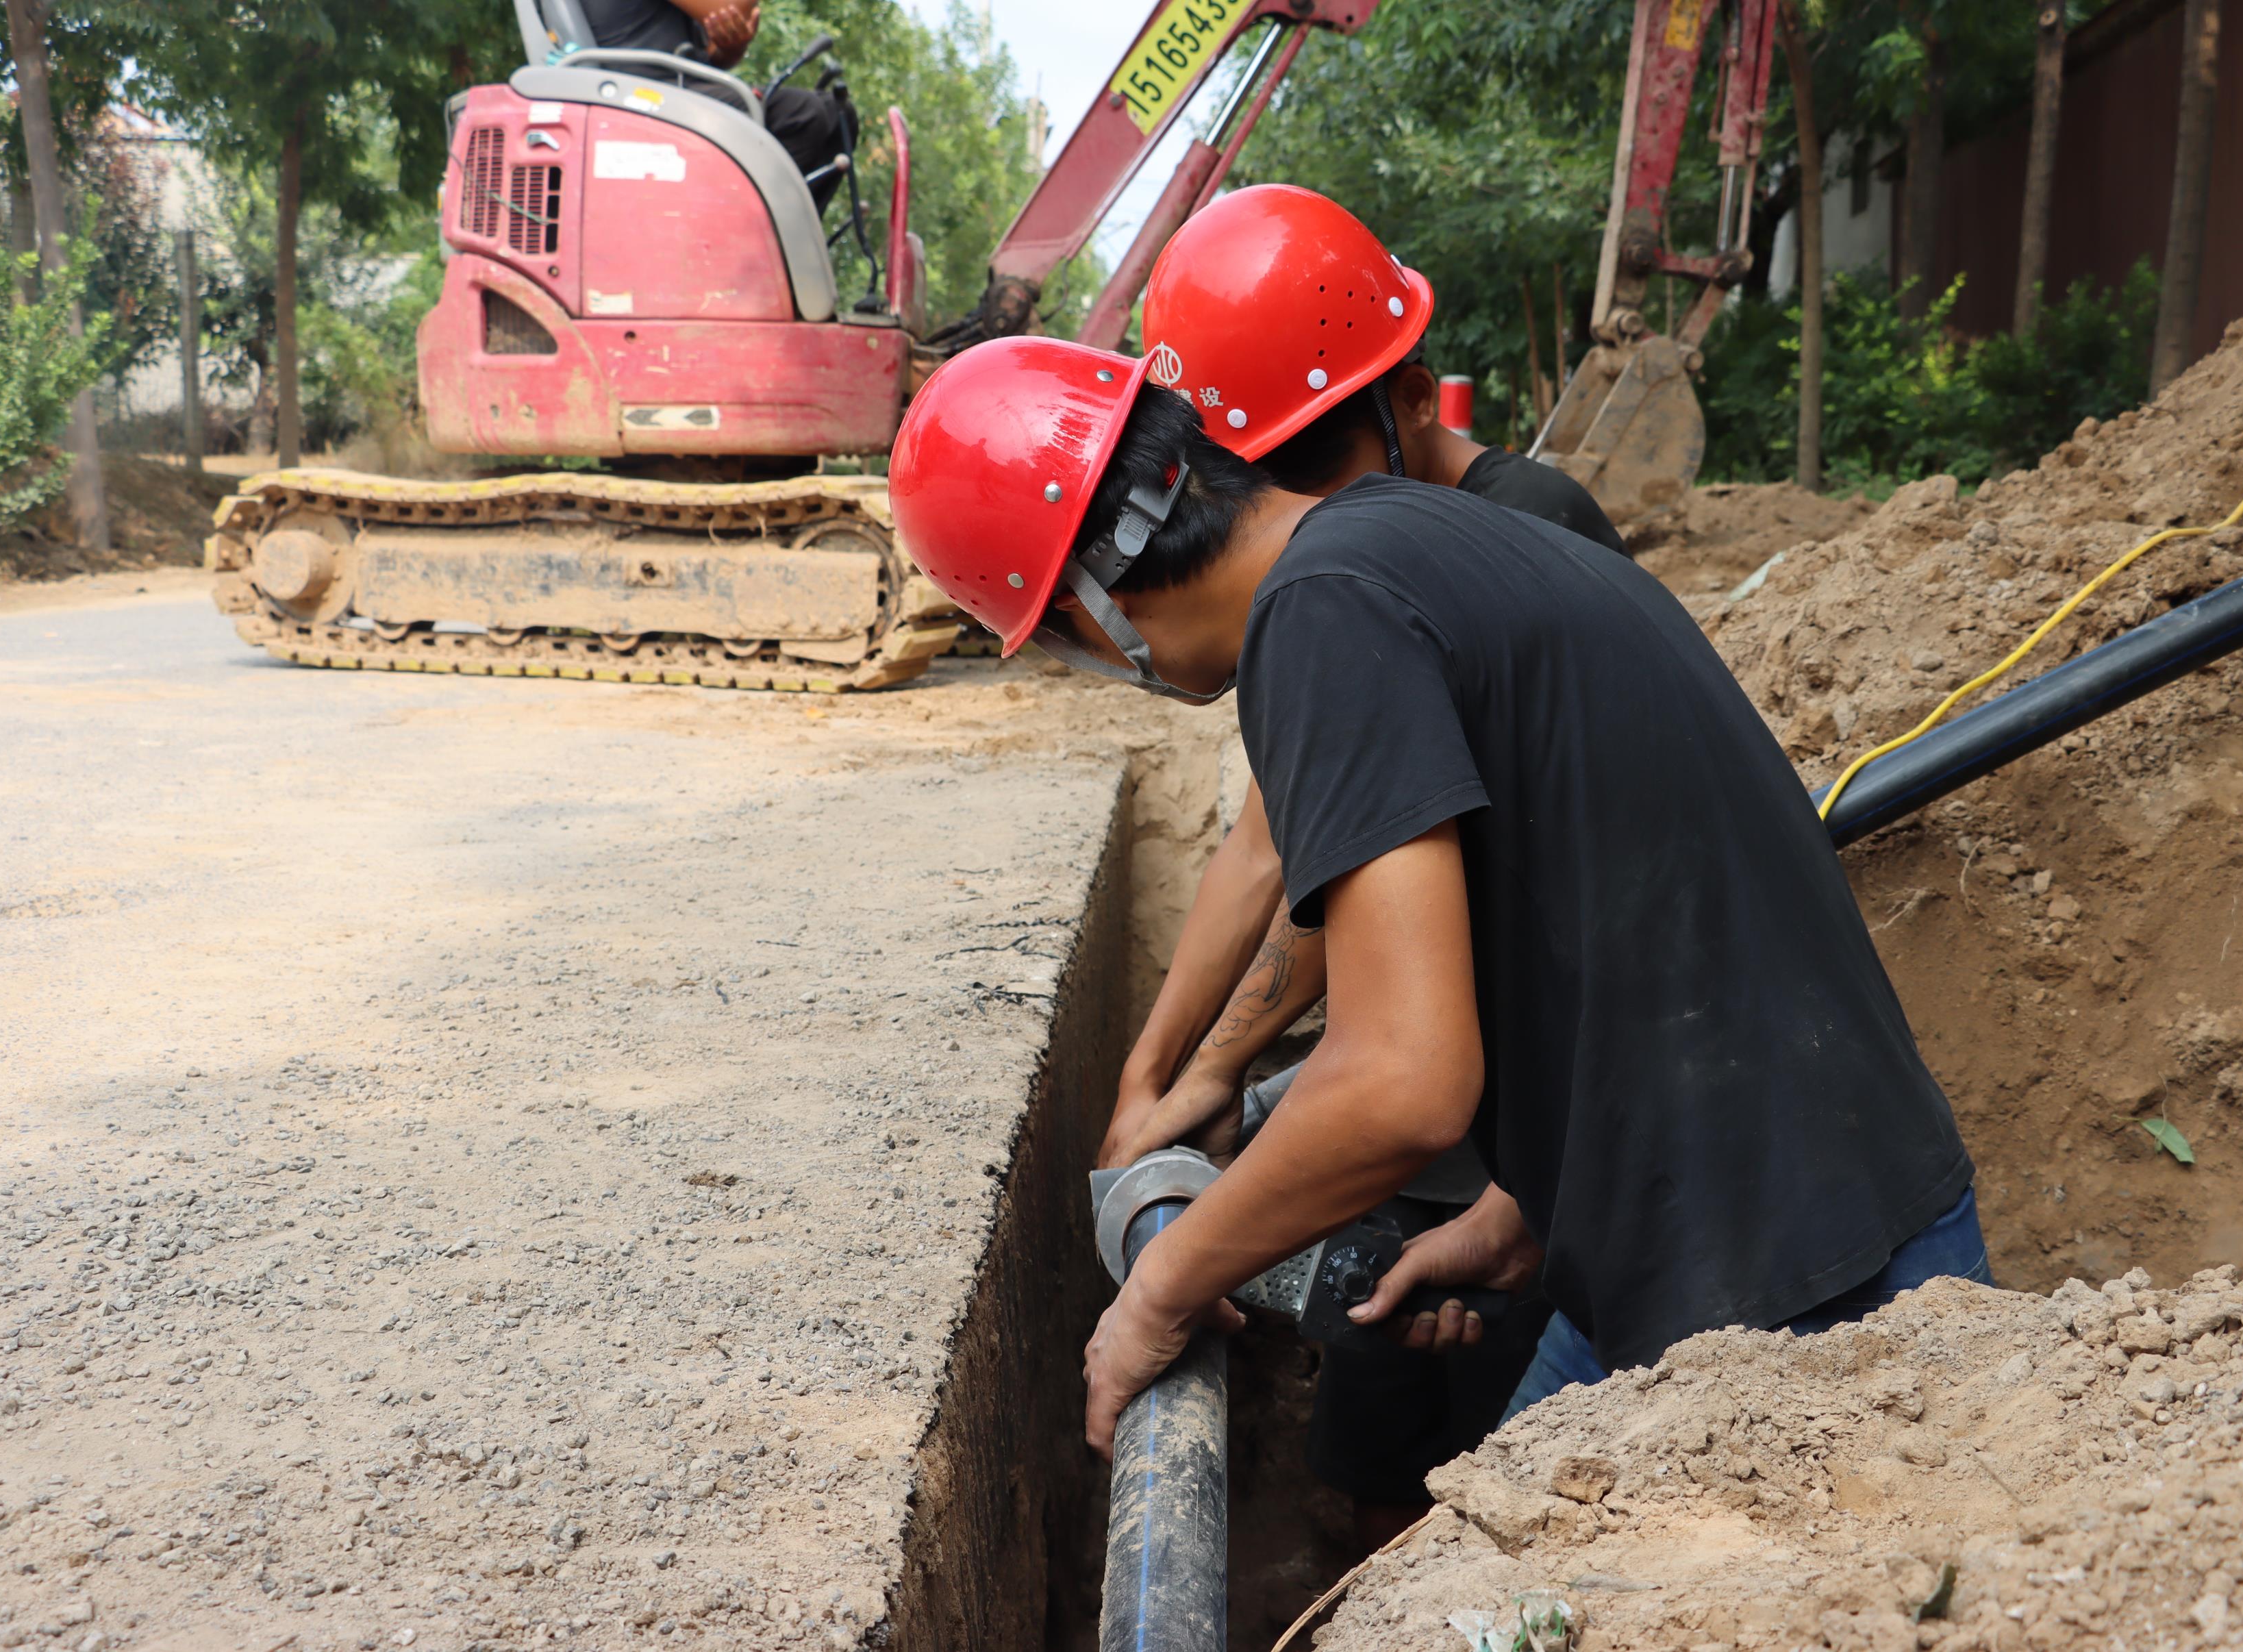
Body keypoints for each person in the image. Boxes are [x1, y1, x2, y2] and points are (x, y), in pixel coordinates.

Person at [885, 334, 1990, 1466]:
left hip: (1784, 1285)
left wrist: (1161, 1286)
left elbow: (1400, 1082)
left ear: (1088, 611)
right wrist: (1522, 1208)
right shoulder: (1402, 539)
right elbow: (1624, 902)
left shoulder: (1322, 616)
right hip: (1761, 1211)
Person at [1097, 185, 1616, 1549]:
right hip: (1445, 1091)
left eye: (1304, 464)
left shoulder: (1520, 524)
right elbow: (1273, 839)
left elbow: (1403, 951)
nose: (1284, 508)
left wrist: (1175, 1246)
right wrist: (1162, 1074)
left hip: (1514, 1105)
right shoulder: (1340, 583)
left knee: (1484, 1462)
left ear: (1398, 405)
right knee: (1379, 1407)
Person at [576, 0, 860, 219]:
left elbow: (715, 51)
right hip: (643, 96)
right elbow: (730, 7)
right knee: (805, 115)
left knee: (838, 116)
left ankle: (781, 249)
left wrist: (731, 45)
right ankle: (749, 246)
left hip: (674, 89)